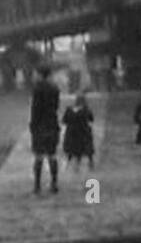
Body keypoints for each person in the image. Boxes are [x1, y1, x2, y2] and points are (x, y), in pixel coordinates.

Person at [28, 65, 60, 194]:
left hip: (40, 126)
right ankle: (54, 183)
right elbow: (56, 107)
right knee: (52, 155)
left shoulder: (37, 89)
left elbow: (35, 109)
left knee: (39, 156)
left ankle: (37, 185)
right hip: (52, 123)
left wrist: (32, 125)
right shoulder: (55, 89)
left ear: (40, 74)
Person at [62, 93, 95, 171]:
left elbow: (64, 120)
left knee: (71, 149)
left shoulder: (69, 109)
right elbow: (91, 119)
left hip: (71, 133)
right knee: (87, 148)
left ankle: (68, 164)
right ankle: (90, 163)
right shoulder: (86, 110)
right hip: (83, 132)